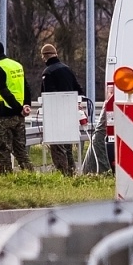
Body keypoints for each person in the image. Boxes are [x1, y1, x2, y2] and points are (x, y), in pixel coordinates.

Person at [0, 41, 32, 174]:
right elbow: (26, 87)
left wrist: (18, 108)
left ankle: (6, 177)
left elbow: (4, 91)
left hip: (5, 112)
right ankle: (30, 176)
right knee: (20, 149)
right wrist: (26, 106)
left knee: (1, 148)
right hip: (19, 114)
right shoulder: (16, 65)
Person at [39, 43, 84, 177]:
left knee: (57, 146)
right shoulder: (67, 69)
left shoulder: (48, 72)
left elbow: (49, 96)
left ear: (45, 56)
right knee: (68, 146)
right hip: (69, 114)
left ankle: (62, 174)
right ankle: (71, 172)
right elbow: (79, 89)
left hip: (56, 115)